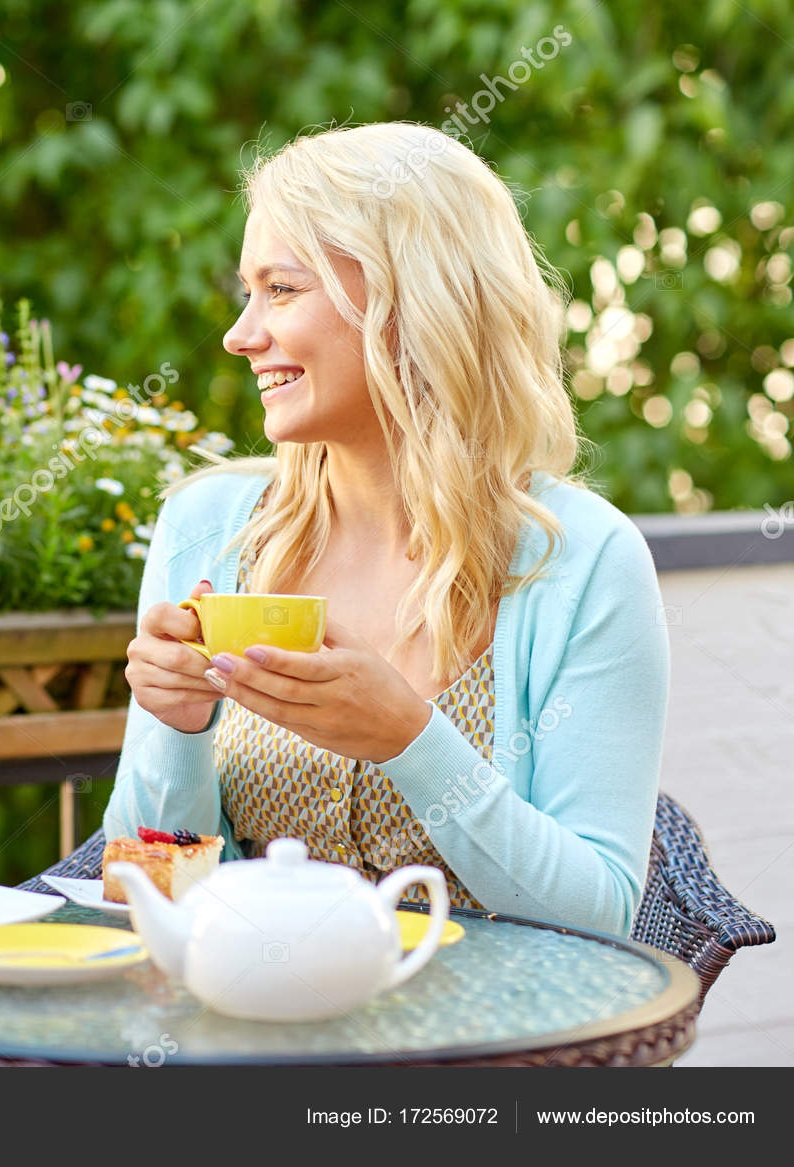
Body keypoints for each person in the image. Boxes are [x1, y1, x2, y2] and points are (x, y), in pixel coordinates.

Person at [104, 123, 668, 936]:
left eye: (282, 290)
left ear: (412, 299)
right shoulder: (208, 529)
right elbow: (143, 875)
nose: (240, 335)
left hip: (488, 1050)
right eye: (247, 293)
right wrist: (178, 724)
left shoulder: (584, 561)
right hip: (249, 1021)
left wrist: (412, 739)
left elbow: (601, 913)